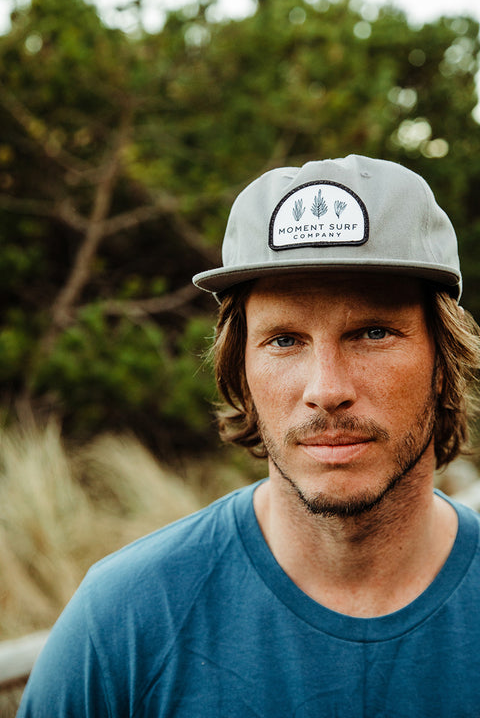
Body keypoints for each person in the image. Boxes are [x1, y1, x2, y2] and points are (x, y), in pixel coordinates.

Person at [17, 155, 480, 717]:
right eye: (285, 340)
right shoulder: (124, 622)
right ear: (240, 369)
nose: (326, 388)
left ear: (442, 359)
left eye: (373, 332)